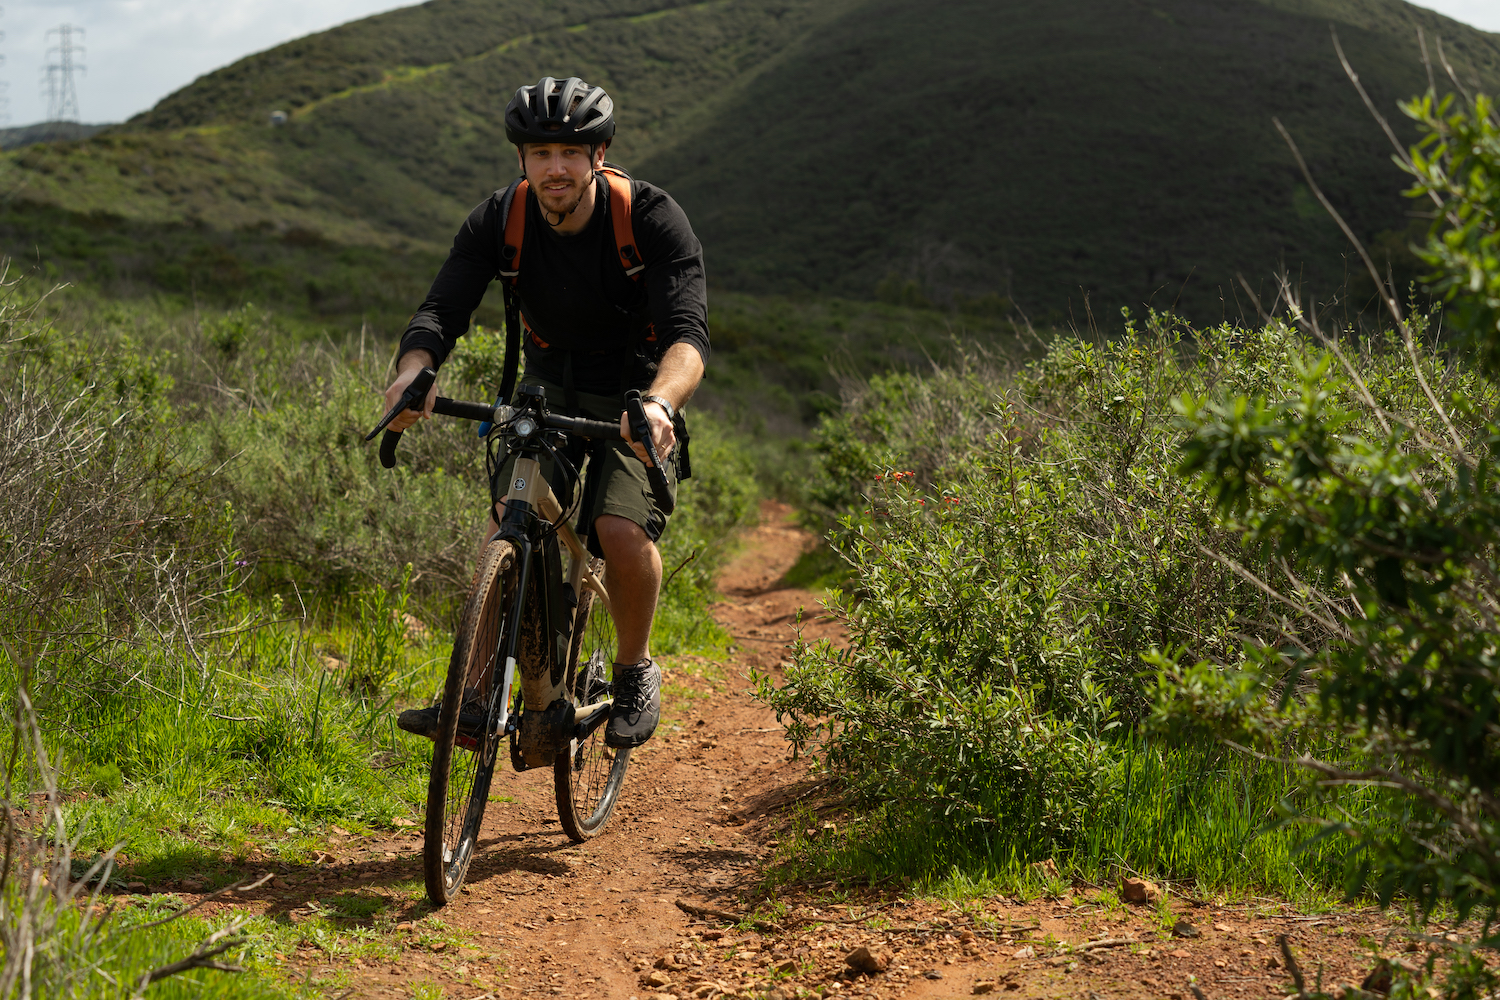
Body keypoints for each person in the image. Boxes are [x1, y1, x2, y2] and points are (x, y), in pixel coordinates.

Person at [384, 76, 709, 749]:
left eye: (570, 151)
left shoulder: (649, 218)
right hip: (547, 388)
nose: (555, 167)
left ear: (600, 153)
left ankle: (632, 668)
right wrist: (413, 374)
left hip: (633, 397)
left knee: (619, 531)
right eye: (539, 153)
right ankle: (473, 697)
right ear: (522, 160)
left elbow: (688, 337)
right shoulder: (499, 220)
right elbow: (442, 309)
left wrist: (659, 402)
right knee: (511, 516)